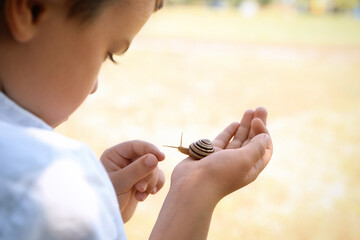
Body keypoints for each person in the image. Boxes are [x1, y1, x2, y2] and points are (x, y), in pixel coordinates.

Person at [0, 0, 273, 239]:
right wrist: (198, 190)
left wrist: (98, 209)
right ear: (32, 10)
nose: (95, 85)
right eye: (108, 52)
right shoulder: (48, 180)